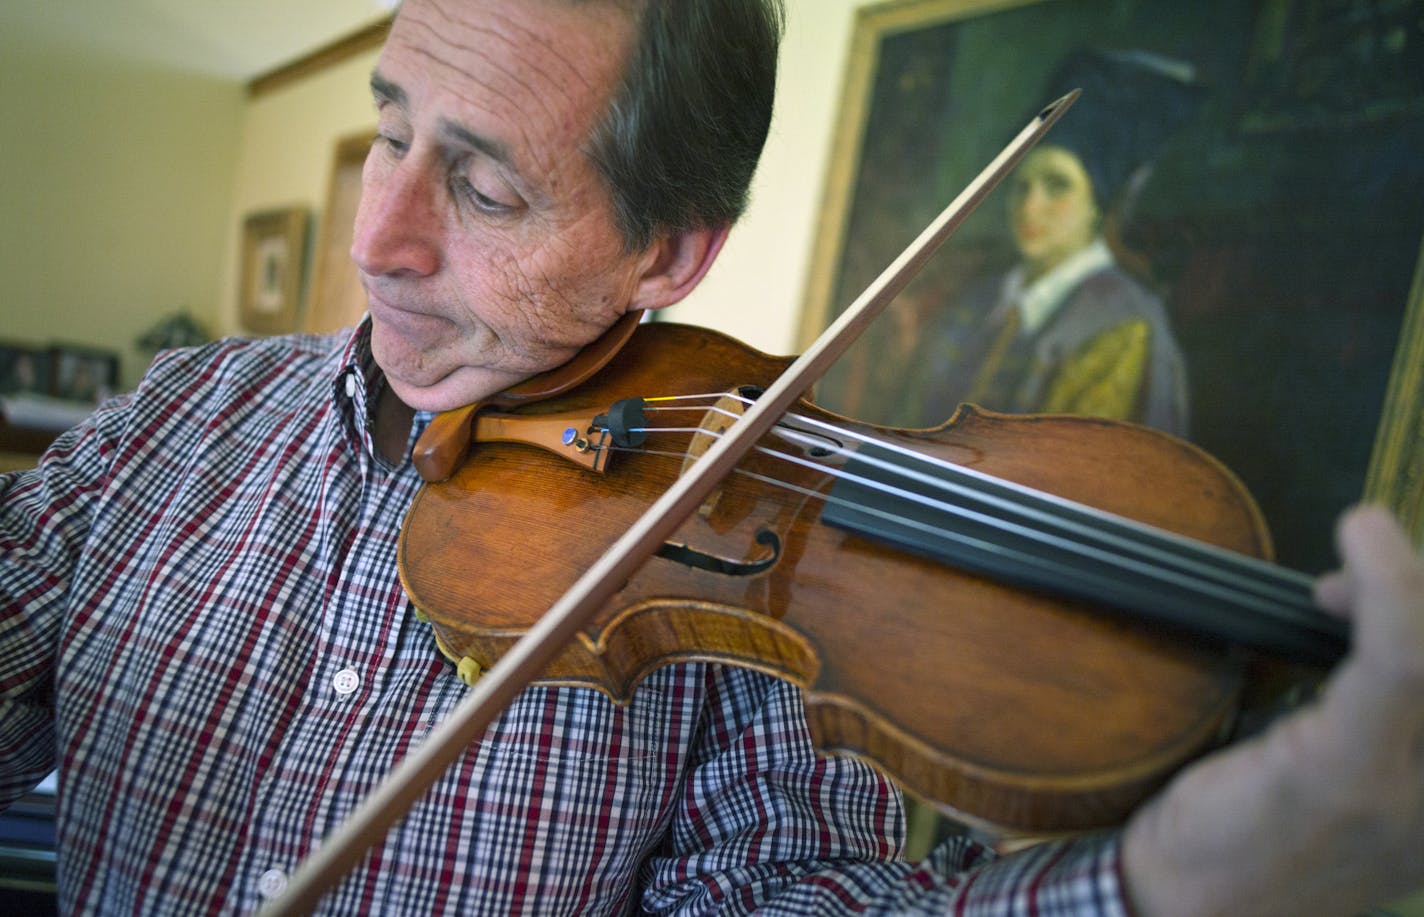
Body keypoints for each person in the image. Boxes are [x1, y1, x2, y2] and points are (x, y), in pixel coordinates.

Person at [0, 1, 1420, 914]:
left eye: (485, 186)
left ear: (664, 253)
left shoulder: (742, 580)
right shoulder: (173, 422)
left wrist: (1186, 878)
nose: (379, 239)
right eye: (386, 134)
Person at [905, 49, 1201, 437]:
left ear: (1098, 203)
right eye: (1021, 185)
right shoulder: (977, 301)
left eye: (1057, 185)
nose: (1030, 206)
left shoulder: (1121, 322)